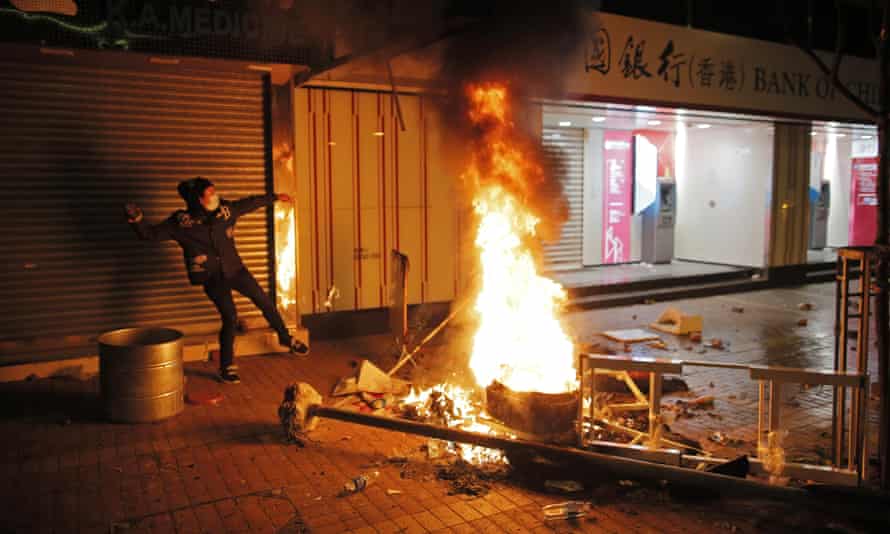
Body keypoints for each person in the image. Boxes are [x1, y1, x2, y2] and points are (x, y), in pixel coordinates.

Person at [124, 176, 308, 384]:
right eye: (210, 193)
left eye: (214, 191)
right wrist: (137, 220)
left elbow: (249, 203)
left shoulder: (225, 211)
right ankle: (227, 366)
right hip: (212, 277)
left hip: (236, 270)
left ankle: (285, 338)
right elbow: (150, 235)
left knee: (264, 301)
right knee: (230, 316)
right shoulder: (181, 223)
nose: (215, 195)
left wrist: (274, 197)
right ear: (197, 200)